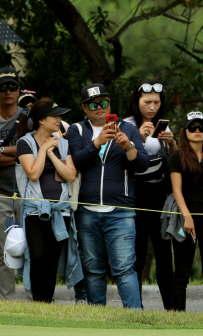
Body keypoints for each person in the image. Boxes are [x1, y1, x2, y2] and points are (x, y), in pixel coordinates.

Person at [66, 83, 149, 309]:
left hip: (121, 211)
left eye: (103, 102)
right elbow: (77, 162)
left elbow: (142, 164)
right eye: (93, 104)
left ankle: (135, 317)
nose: (99, 108)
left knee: (124, 268)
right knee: (93, 269)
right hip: (86, 211)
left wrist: (128, 146)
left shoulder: (128, 129)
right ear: (84, 107)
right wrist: (97, 142)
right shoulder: (77, 130)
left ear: (110, 103)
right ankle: (97, 317)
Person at [14, 98, 83, 302]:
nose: (59, 120)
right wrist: (43, 149)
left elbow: (70, 175)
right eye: (55, 116)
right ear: (42, 120)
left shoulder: (62, 143)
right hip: (35, 211)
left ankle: (48, 302)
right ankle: (38, 301)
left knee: (52, 260)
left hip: (60, 211)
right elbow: (33, 174)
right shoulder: (24, 143)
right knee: (37, 257)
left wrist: (52, 153)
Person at [124, 79, 175, 310]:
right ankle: (136, 307)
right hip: (136, 195)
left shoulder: (163, 126)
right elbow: (122, 160)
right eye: (147, 102)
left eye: (156, 102)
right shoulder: (127, 125)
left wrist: (172, 144)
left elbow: (175, 164)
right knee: (138, 253)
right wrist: (141, 139)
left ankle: (172, 308)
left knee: (165, 254)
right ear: (137, 102)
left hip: (161, 196)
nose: (152, 107)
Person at [168, 111, 203, 312]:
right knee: (182, 270)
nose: (197, 131)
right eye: (192, 127)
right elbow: (176, 190)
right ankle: (178, 314)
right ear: (185, 131)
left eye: (201, 128)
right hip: (186, 220)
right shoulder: (177, 156)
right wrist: (187, 217)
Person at [0, 67, 25, 300]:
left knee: (33, 251)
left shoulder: (28, 117)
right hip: (1, 195)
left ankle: (35, 299)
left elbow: (34, 153)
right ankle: (6, 303)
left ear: (19, 89)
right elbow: (24, 153)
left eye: (12, 86)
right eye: (2, 87)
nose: (7, 91)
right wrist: (19, 154)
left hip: (29, 194)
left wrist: (3, 151)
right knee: (2, 252)